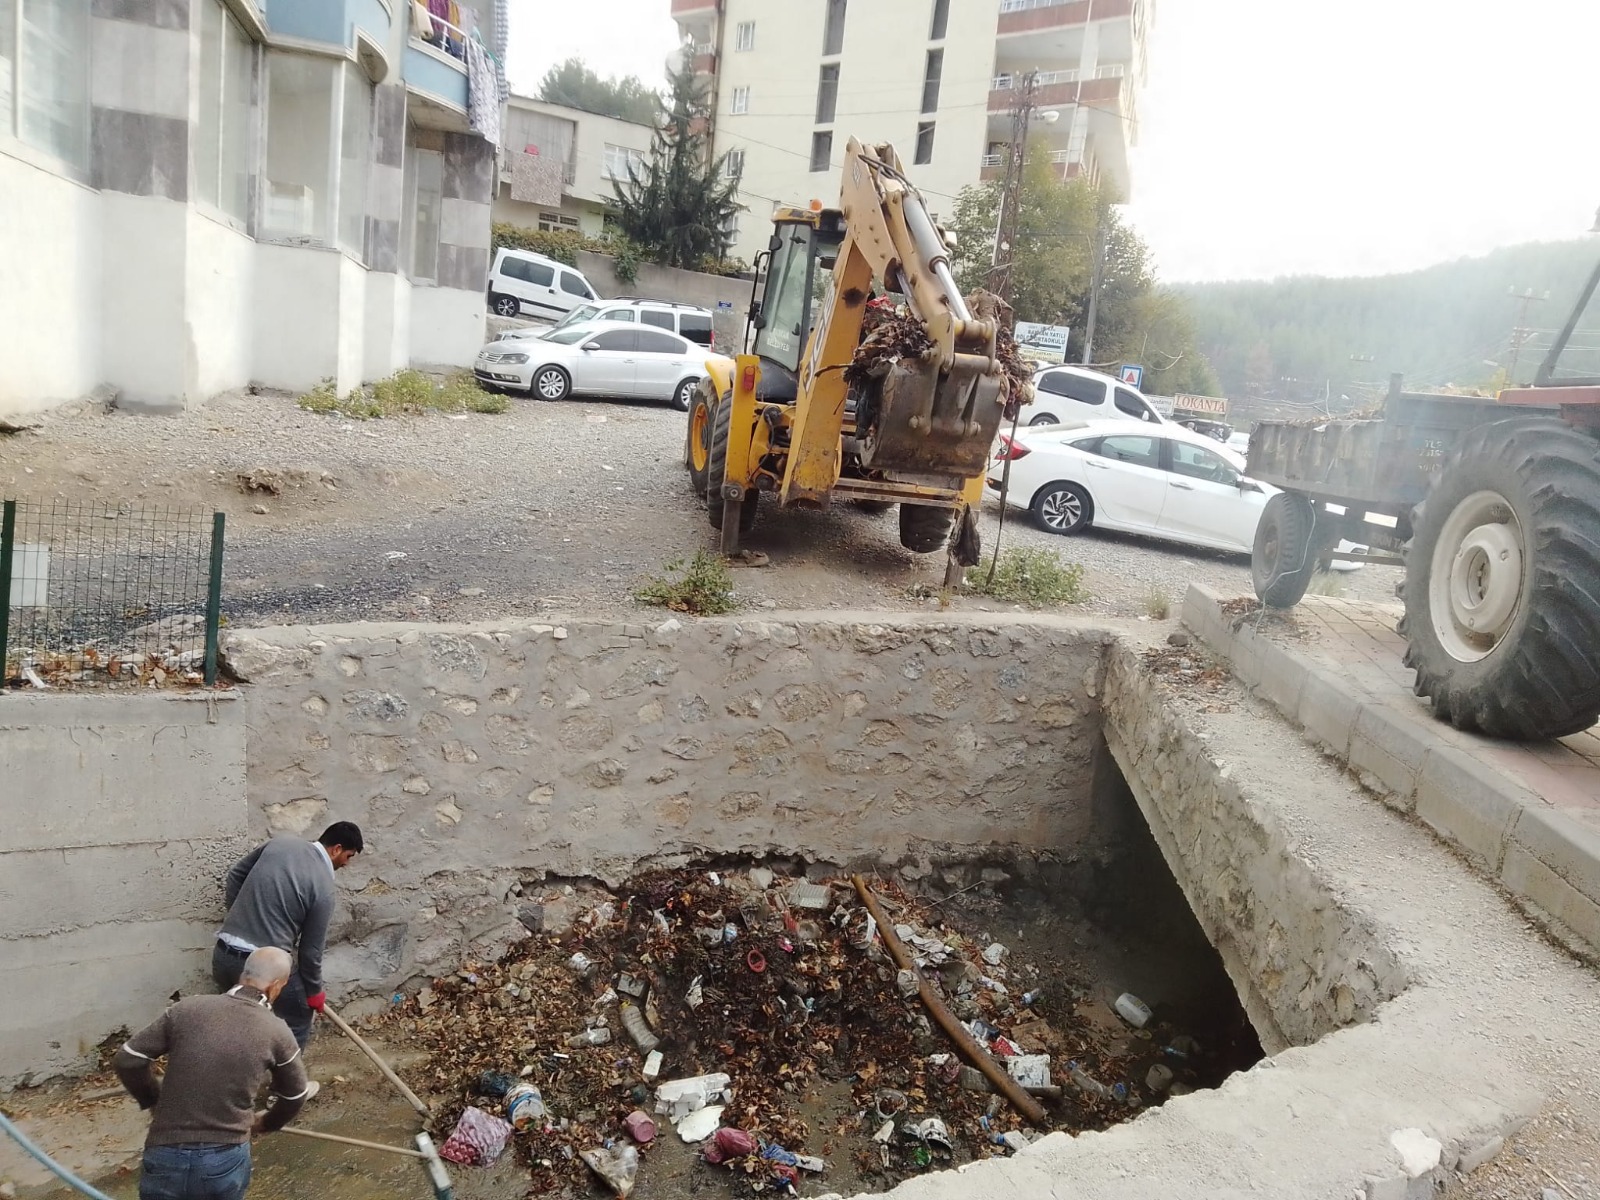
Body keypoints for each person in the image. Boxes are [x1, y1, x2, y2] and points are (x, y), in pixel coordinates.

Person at [115, 947, 311, 1200]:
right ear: (275, 987)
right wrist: (267, 1123)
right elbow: (296, 1095)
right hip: (224, 1158)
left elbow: (128, 1059)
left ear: (244, 974)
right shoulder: (277, 1031)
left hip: (166, 1151)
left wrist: (153, 1099)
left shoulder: (187, 1009)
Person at [212, 821, 363, 1060]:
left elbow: (235, 876)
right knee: (298, 1016)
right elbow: (310, 952)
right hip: (265, 968)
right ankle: (285, 1091)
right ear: (336, 848)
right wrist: (314, 993)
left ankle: (236, 1082)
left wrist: (242, 915)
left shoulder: (281, 843)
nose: (346, 863)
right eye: (349, 856)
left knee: (240, 1022)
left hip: (224, 956)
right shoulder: (324, 887)